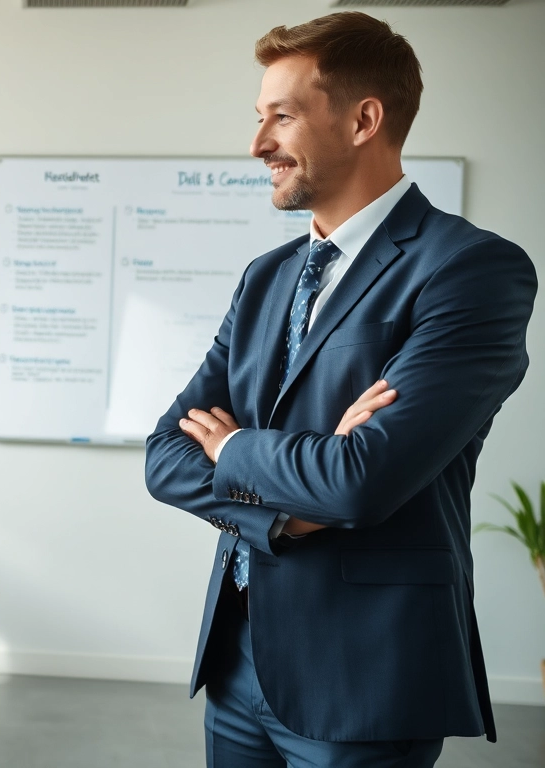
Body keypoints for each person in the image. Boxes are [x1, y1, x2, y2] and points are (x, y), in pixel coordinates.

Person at [144, 12, 535, 767]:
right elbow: (165, 456)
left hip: (365, 675)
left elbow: (362, 482)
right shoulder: (267, 278)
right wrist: (291, 511)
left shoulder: (472, 271)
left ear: (364, 120)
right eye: (259, 119)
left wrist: (234, 447)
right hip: (237, 660)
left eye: (282, 117)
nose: (257, 145)